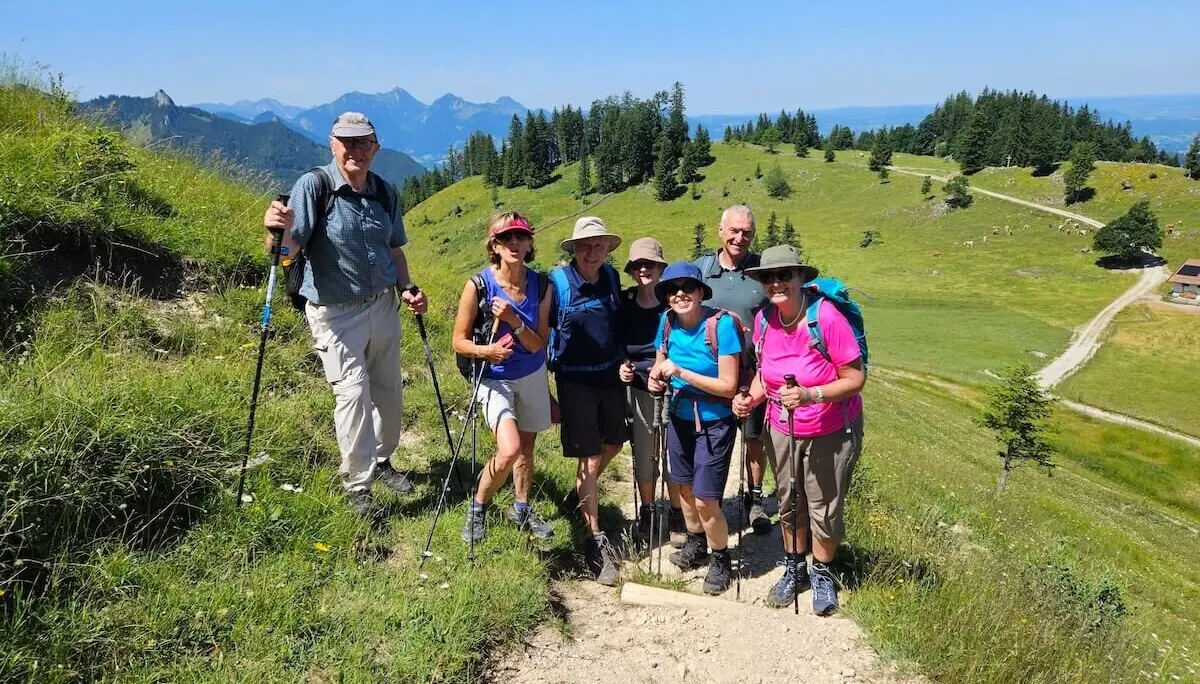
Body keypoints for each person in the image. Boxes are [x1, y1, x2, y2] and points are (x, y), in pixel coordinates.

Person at [262, 112, 427, 517]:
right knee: (352, 393)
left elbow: (394, 250)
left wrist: (407, 287)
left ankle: (383, 461)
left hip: (382, 305)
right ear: (332, 145)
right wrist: (274, 233)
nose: (355, 150)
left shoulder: (384, 193)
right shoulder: (315, 186)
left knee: (388, 393)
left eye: (363, 143)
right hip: (334, 313)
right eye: (346, 142)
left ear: (375, 148)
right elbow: (287, 252)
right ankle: (358, 485)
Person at [734, 245, 865, 615]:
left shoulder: (825, 317)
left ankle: (822, 573)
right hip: (782, 427)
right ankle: (795, 569)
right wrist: (751, 399)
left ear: (800, 278)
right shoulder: (764, 320)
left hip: (831, 429)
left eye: (784, 275)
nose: (776, 283)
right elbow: (765, 375)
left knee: (823, 505)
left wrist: (812, 394)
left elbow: (855, 377)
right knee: (789, 500)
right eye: (769, 277)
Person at [454, 211, 555, 544]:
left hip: (532, 373)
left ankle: (522, 507)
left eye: (521, 237)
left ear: (529, 243)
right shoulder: (478, 286)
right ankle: (478, 504)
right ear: (493, 245)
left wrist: (512, 319)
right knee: (509, 448)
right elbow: (459, 341)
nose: (514, 243)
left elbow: (538, 342)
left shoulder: (541, 286)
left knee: (527, 444)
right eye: (506, 238)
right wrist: (488, 353)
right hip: (493, 376)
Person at [648, 262, 742, 595]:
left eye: (688, 287)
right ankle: (696, 541)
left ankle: (721, 558)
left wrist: (682, 373)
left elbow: (729, 386)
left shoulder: (722, 325)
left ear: (702, 292)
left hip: (714, 421)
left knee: (705, 498)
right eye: (673, 290)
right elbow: (661, 361)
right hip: (679, 417)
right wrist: (655, 375)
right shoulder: (667, 322)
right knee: (683, 487)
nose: (680, 294)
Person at [547, 217, 627, 586]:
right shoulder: (558, 283)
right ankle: (595, 541)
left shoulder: (611, 278)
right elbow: (539, 336)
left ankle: (580, 492)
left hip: (610, 375)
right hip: (575, 379)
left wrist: (624, 359)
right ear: (574, 249)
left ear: (607, 249)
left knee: (613, 443)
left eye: (598, 245)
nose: (591, 252)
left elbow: (618, 324)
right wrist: (545, 394)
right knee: (590, 455)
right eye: (584, 245)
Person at [694, 205, 772, 536]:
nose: (740, 238)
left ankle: (753, 499)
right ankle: (710, 500)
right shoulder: (701, 268)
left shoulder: (762, 270)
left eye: (747, 233)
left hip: (753, 369)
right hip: (712, 372)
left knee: (754, 437)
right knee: (713, 436)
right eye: (734, 231)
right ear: (720, 231)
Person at [617, 238, 683, 545]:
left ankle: (676, 511)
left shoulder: (673, 304)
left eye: (651, 264)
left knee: (673, 453)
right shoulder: (624, 302)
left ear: (661, 268)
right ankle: (647, 511)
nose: (644, 269)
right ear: (631, 270)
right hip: (639, 388)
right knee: (645, 454)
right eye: (639, 264)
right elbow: (615, 342)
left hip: (672, 386)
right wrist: (622, 365)